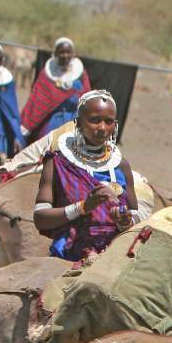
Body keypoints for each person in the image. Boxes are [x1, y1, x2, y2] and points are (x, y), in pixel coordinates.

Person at [33, 90, 138, 262]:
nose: (102, 128)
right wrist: (82, 207)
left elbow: (136, 220)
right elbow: (40, 218)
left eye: (108, 121)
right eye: (95, 120)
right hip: (70, 254)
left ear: (115, 125)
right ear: (79, 123)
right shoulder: (58, 162)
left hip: (116, 256)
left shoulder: (121, 166)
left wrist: (124, 221)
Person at [21, 37, 90, 140]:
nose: (65, 55)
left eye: (68, 52)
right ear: (56, 53)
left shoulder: (81, 74)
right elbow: (37, 101)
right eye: (61, 52)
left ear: (73, 54)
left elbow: (88, 97)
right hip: (53, 121)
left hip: (75, 121)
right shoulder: (47, 75)